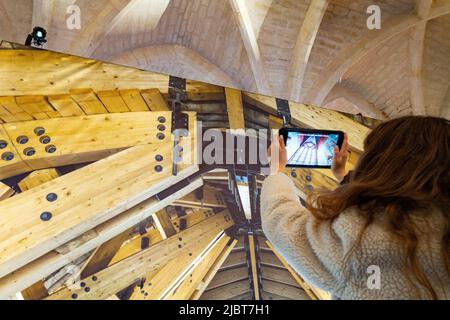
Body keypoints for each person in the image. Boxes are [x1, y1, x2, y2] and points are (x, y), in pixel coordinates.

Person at [261, 116, 449, 299]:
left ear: (380, 163)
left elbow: (283, 224)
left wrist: (276, 170)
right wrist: (343, 176)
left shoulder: (359, 236)